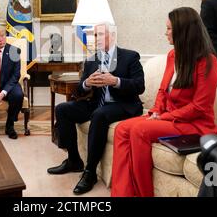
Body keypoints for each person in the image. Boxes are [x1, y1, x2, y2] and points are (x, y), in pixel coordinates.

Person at [111, 7, 217, 197]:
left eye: (169, 29)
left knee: (140, 130)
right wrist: (155, 112)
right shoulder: (173, 55)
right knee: (122, 129)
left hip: (194, 124)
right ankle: (122, 194)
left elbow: (199, 107)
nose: (166, 33)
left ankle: (144, 194)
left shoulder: (207, 62)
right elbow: (163, 90)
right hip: (169, 118)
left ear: (183, 31)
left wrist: (164, 117)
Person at [47, 22, 145, 195]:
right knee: (62, 109)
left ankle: (90, 171)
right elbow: (78, 92)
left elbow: (139, 86)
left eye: (100, 35)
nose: (96, 39)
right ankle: (74, 160)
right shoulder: (92, 59)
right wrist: (86, 83)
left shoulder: (130, 56)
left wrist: (116, 81)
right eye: (95, 36)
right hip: (96, 103)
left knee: (99, 115)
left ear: (112, 35)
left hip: (122, 105)